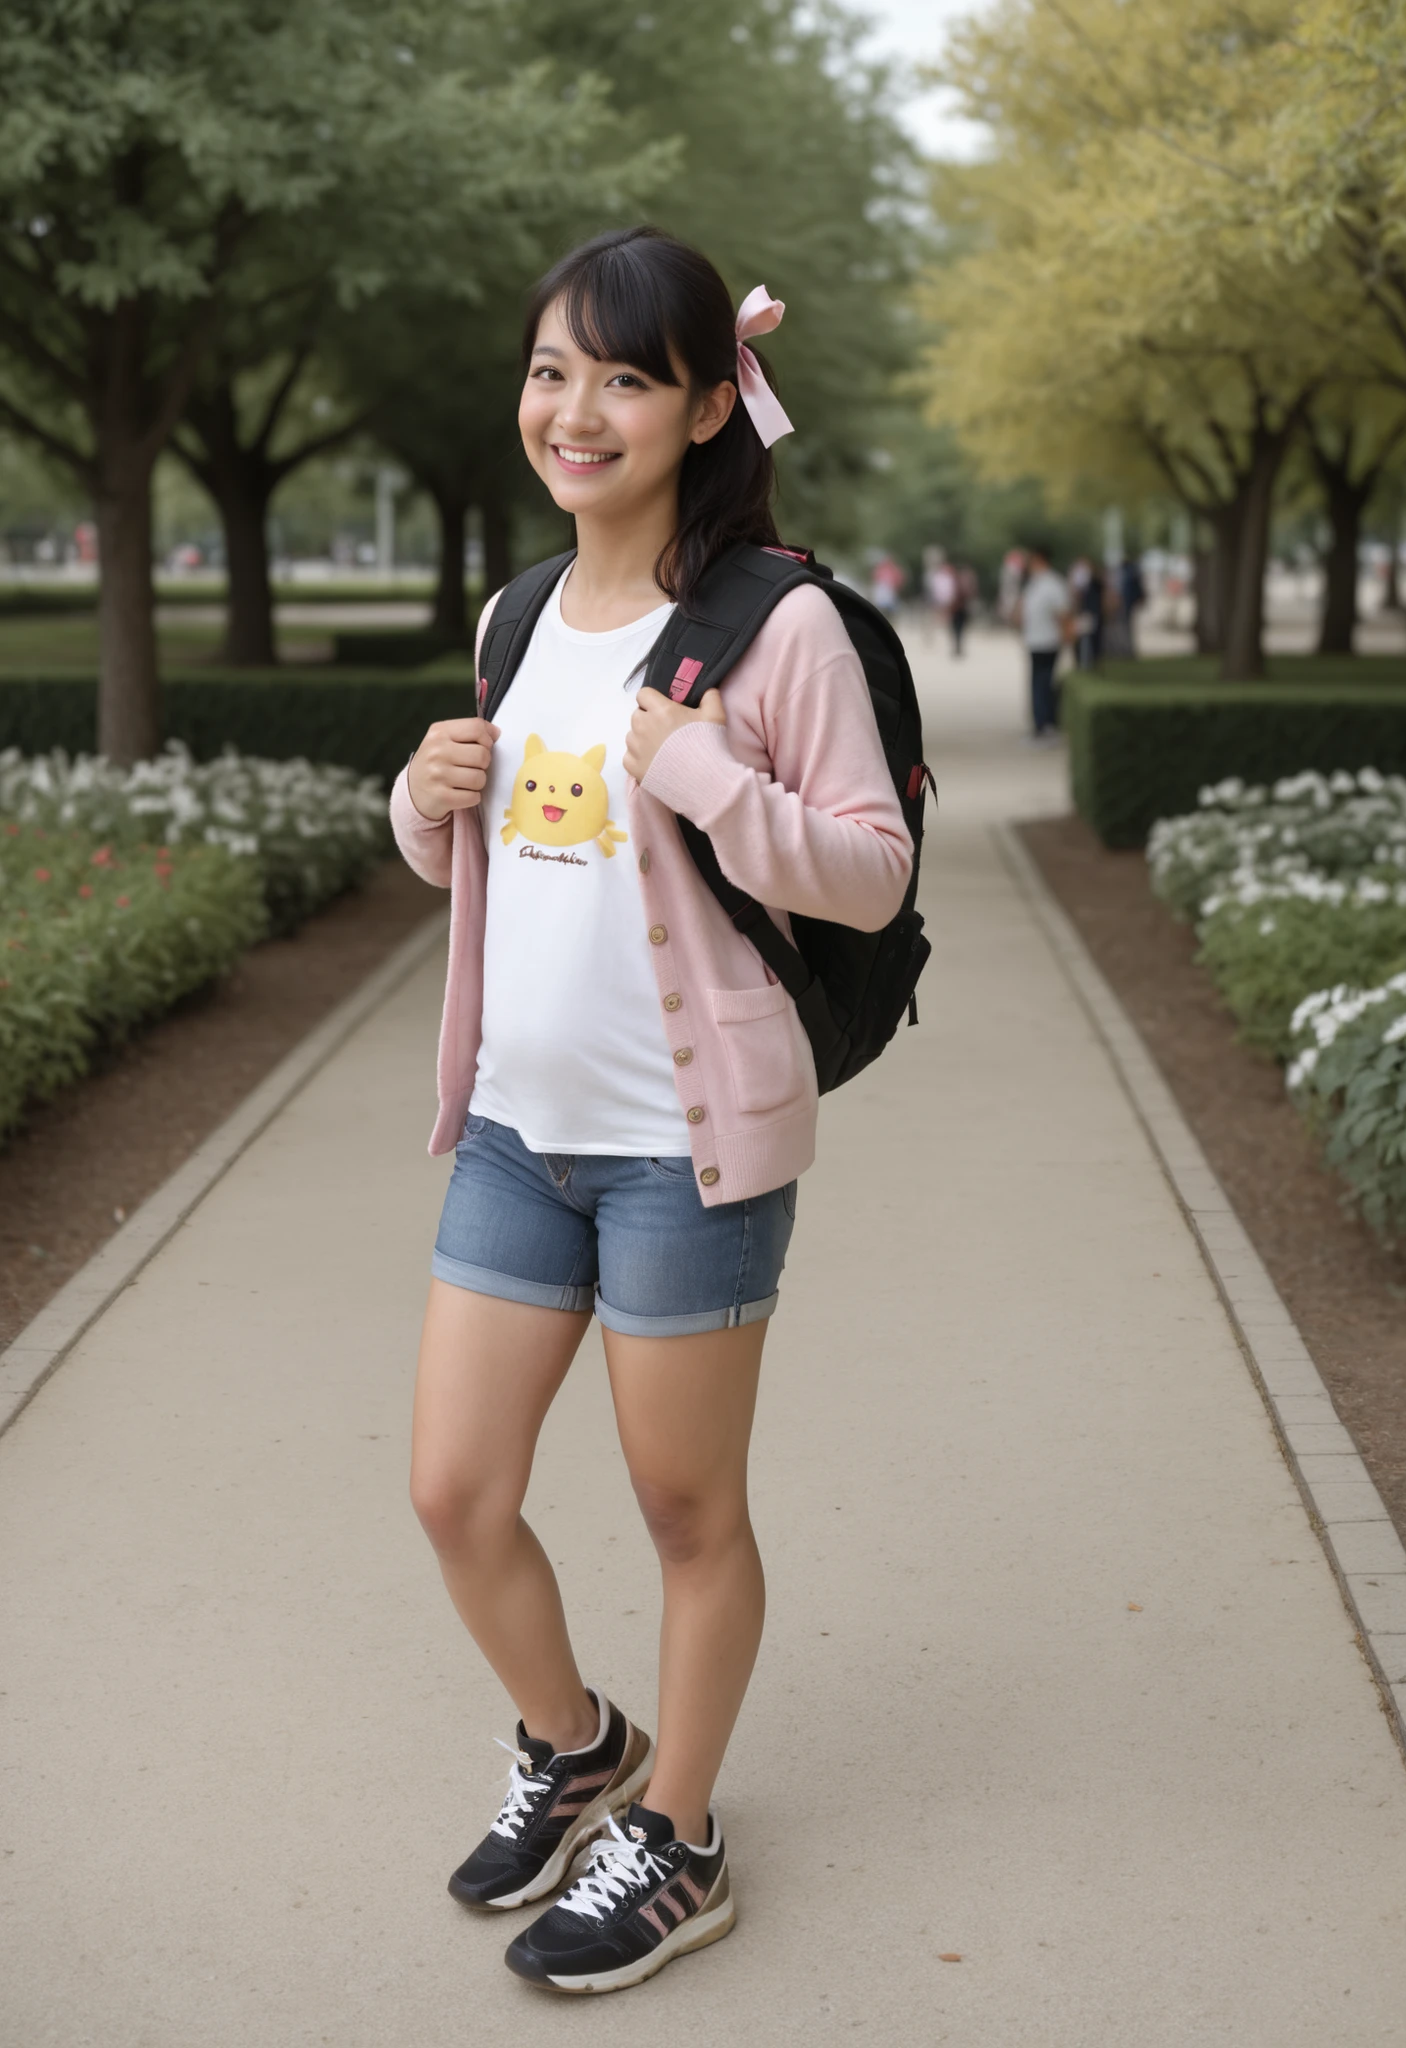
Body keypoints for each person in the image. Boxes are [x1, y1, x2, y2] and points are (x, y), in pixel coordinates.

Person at [393, 226, 912, 1997]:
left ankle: (675, 1836)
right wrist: (418, 805)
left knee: (688, 1512)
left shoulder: (778, 626)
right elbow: (515, 863)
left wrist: (704, 773)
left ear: (704, 403)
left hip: (684, 1154)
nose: (577, 407)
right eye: (552, 369)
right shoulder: (513, 617)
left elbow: (867, 871)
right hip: (518, 1133)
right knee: (457, 1491)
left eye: (622, 375)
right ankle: (578, 1743)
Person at [1019, 542, 1071, 743]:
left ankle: (1046, 725)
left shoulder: (1053, 583)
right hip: (1035, 641)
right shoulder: (1035, 583)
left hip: (1048, 641)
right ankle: (1040, 723)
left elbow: (1063, 613)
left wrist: (1067, 636)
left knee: (1044, 684)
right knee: (1037, 684)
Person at [1070, 555, 1105, 670]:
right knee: (1081, 641)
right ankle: (1082, 663)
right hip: (1082, 614)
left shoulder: (1095, 581)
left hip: (1092, 613)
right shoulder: (1079, 580)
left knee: (1093, 640)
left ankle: (1092, 662)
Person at [948, 560, 978, 655]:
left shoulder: (958, 581)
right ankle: (957, 647)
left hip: (960, 608)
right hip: (956, 608)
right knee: (957, 629)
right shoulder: (956, 581)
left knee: (959, 629)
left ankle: (958, 647)